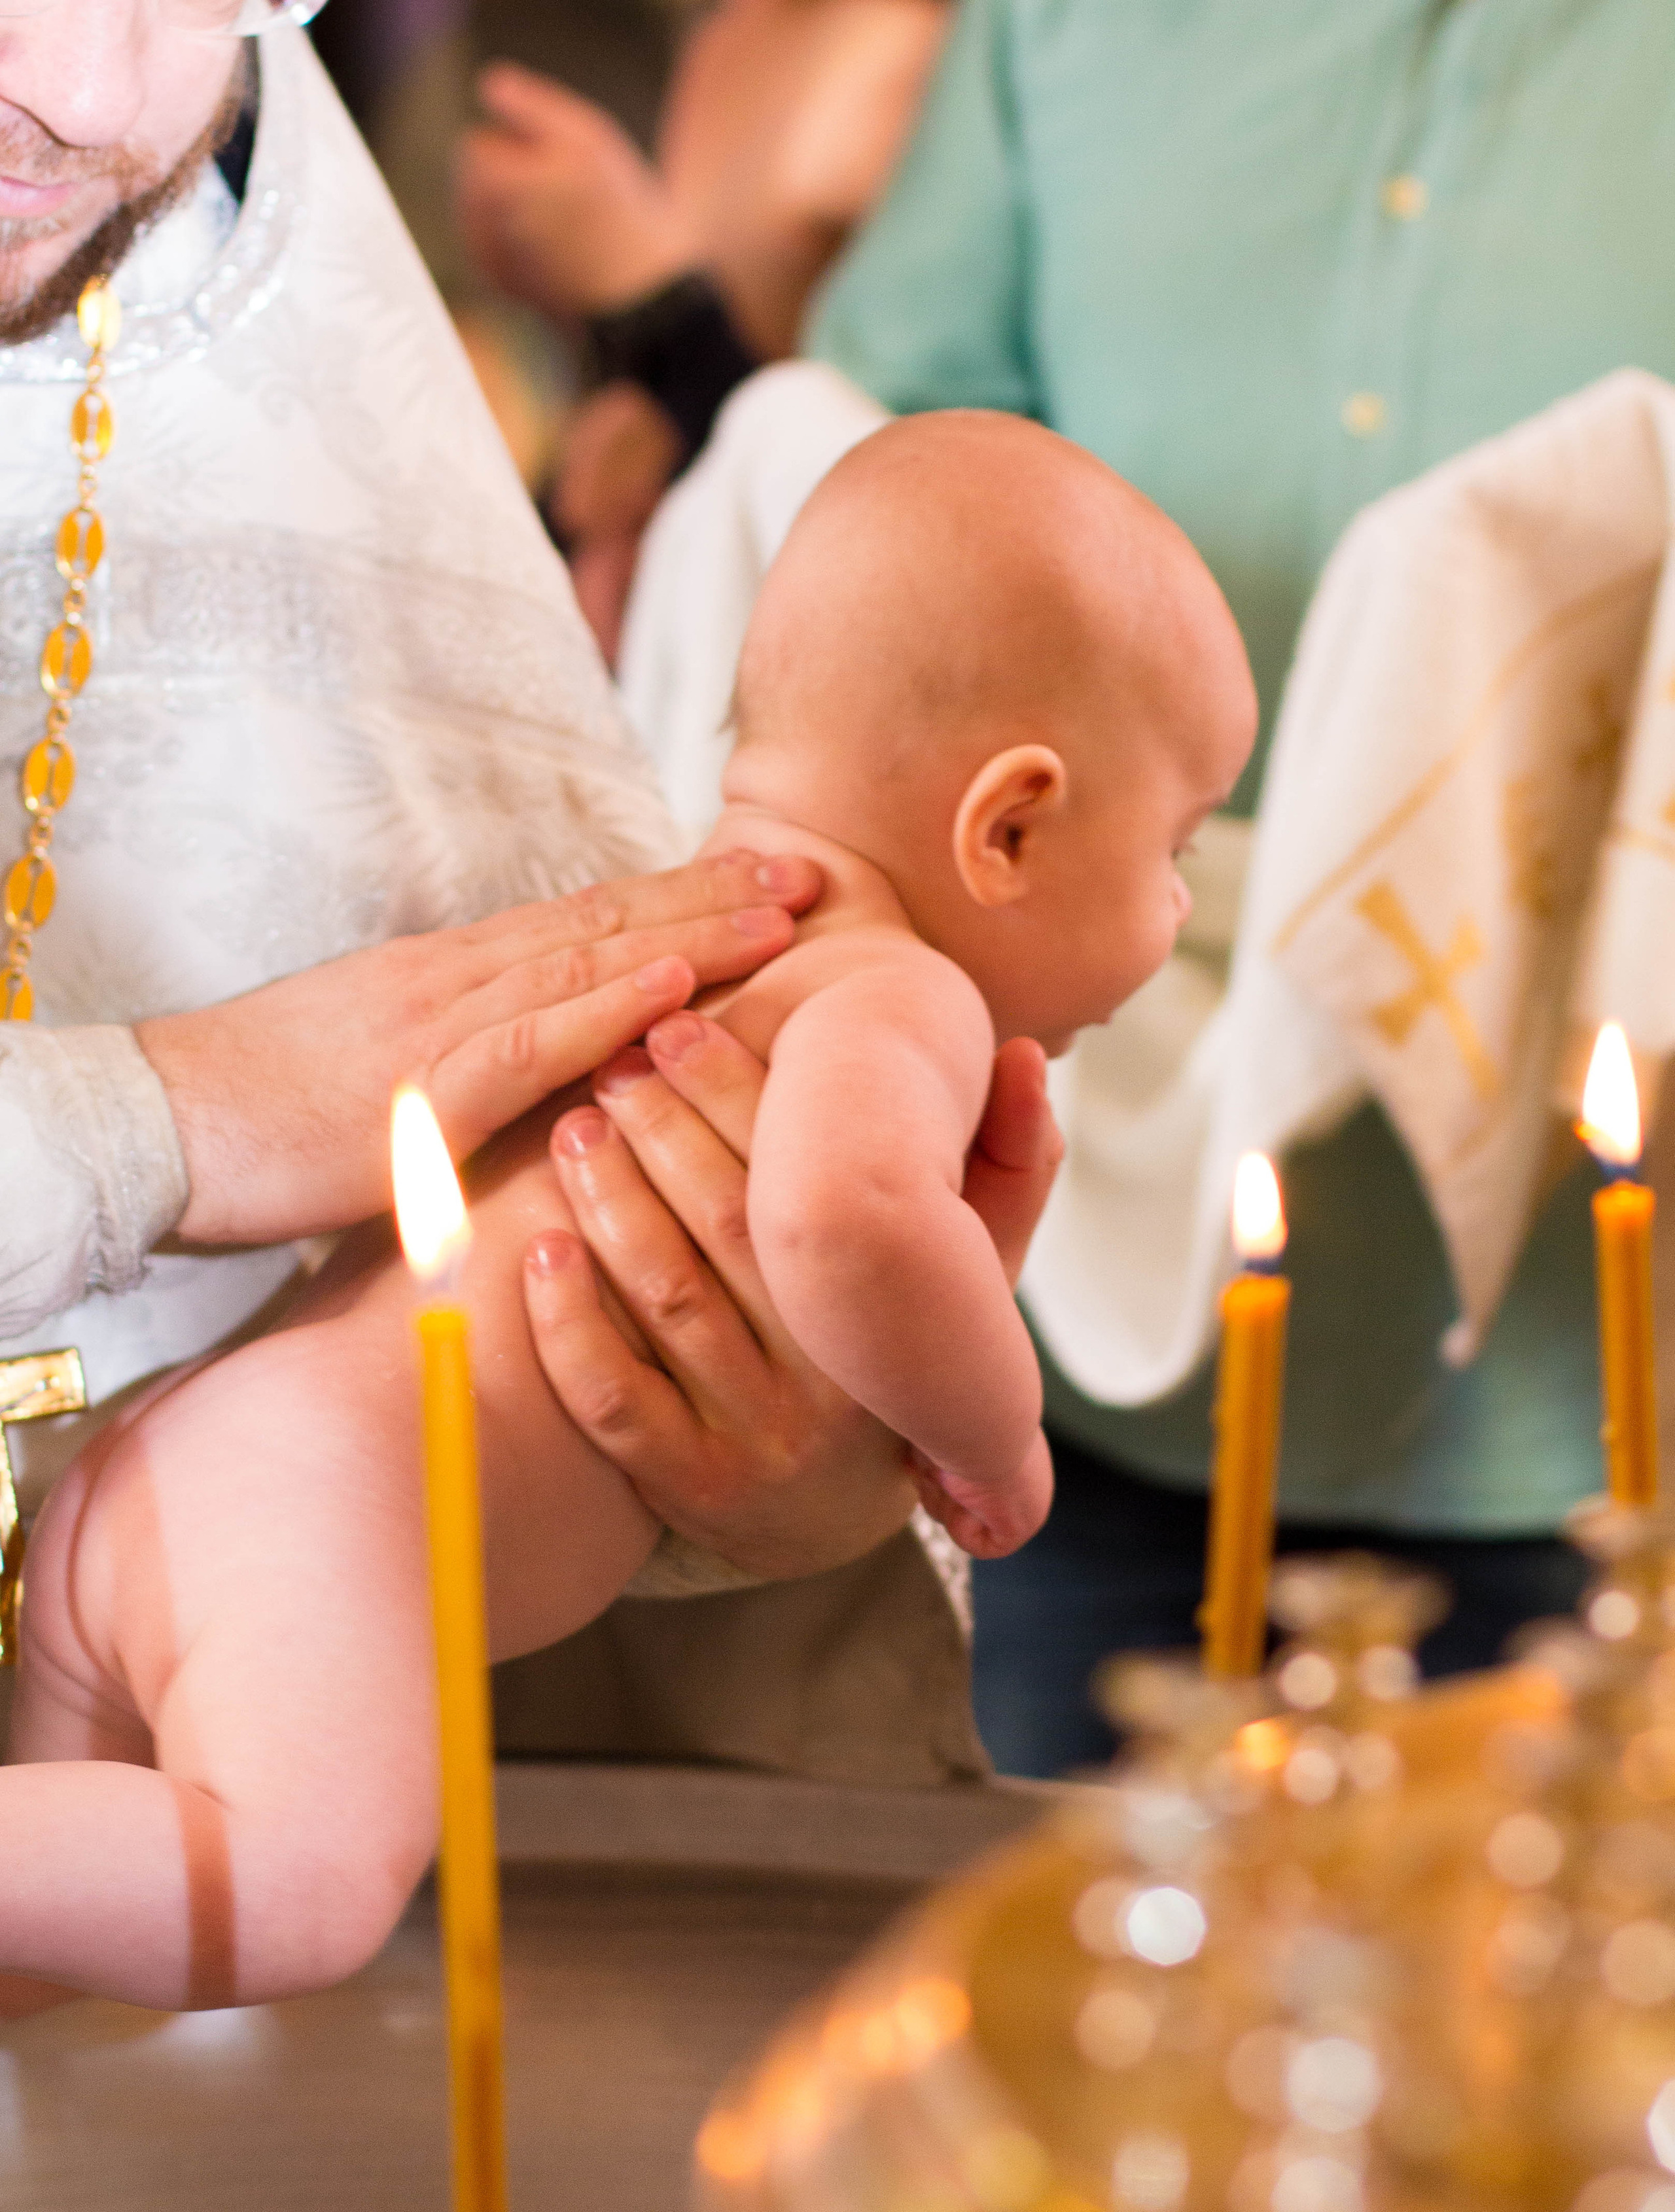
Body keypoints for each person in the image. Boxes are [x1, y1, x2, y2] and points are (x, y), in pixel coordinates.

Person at [1, 413, 1255, 2012]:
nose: (1175, 906)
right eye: (1175, 846)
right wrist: (993, 1435)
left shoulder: (656, 940)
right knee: (294, 1891)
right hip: (324, 1512)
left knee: (52, 1988)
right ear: (1005, 825)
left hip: (171, 1462)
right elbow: (844, 1223)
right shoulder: (888, 987)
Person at [0, 5, 1057, 1783]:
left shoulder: (186, 258)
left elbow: (497, 1362)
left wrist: (711, 1458)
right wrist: (160, 1124)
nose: (97, 92)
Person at [783, 0, 1675, 1774]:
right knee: (1068, 1997)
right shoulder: (1059, 28)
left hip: (1606, 1411)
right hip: (1070, 1365)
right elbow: (866, 504)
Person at [453, 0, 949, 654]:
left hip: (829, 618)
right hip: (690, 575)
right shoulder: (729, 38)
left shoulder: (918, 52)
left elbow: (888, 471)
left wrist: (643, 290)